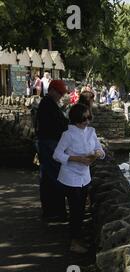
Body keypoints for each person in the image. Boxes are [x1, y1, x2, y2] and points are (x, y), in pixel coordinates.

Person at [53, 103, 105, 253]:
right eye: (84, 119)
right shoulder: (68, 135)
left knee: (81, 210)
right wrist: (76, 159)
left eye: (88, 118)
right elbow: (56, 155)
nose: (87, 122)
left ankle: (77, 239)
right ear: (76, 119)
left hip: (85, 177)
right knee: (76, 211)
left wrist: (97, 154)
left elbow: (100, 150)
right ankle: (74, 242)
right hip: (70, 177)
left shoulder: (91, 132)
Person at [35, 80, 69, 220]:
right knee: (55, 177)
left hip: (47, 144)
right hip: (49, 145)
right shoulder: (48, 104)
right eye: (60, 93)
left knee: (48, 178)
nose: (61, 96)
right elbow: (59, 124)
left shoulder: (48, 103)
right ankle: (57, 212)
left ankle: (50, 211)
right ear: (53, 90)